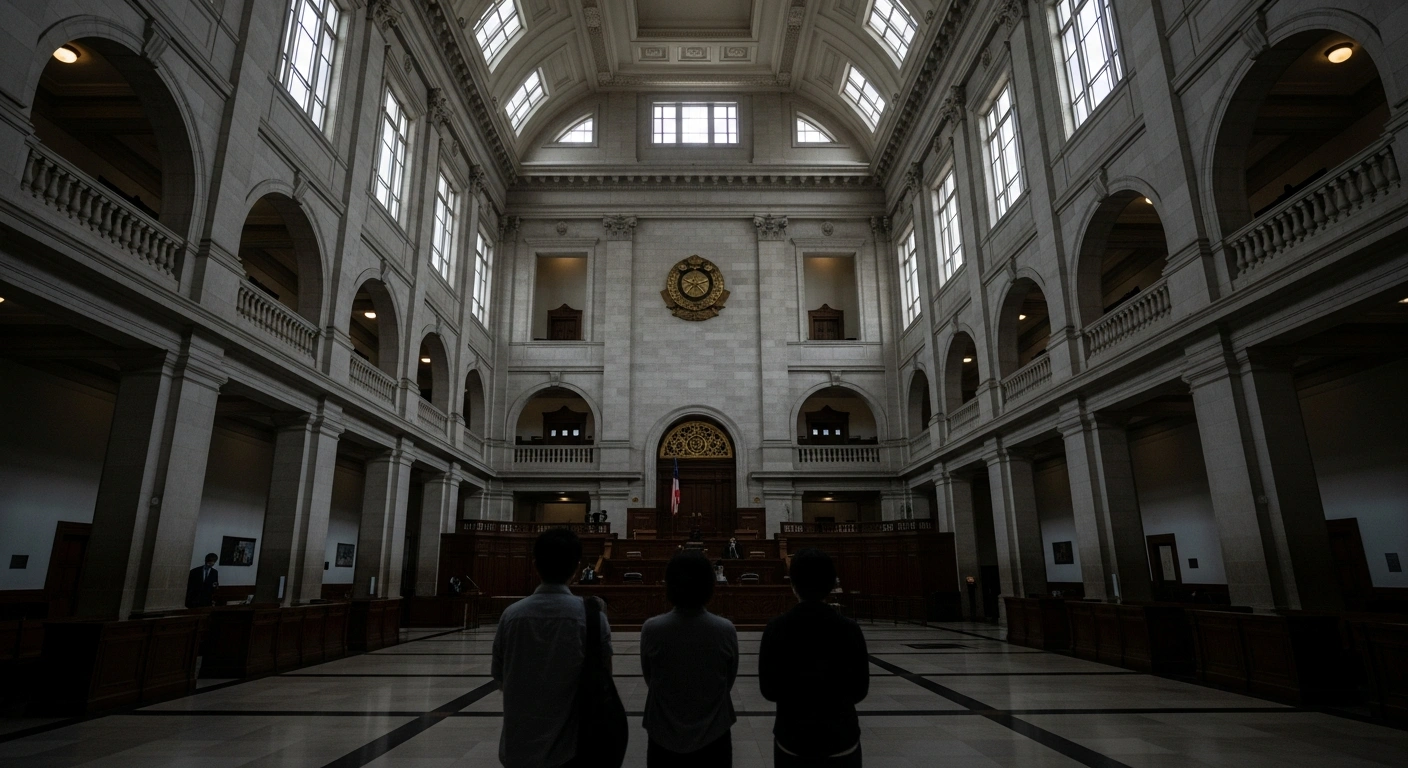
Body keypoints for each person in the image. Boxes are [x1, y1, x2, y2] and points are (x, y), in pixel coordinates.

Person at [493, 528, 613, 768]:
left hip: (519, 747)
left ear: (535, 565)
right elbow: (604, 680)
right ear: (577, 567)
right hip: (574, 748)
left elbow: (500, 677)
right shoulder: (592, 618)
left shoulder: (511, 616)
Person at [759, 548, 868, 767]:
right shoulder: (850, 629)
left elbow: (769, 691)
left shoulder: (776, 629)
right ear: (830, 584)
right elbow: (859, 690)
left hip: (792, 739)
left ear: (793, 584)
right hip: (841, 738)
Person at [640, 552, 738, 767]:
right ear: (710, 586)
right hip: (714, 735)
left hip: (663, 736)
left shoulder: (652, 629)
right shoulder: (725, 630)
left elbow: (651, 678)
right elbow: (727, 680)